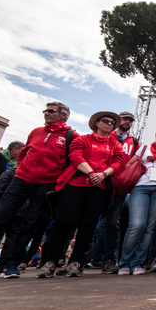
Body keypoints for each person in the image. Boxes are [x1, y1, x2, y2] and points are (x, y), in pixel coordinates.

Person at [37, 111, 123, 278]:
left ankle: (76, 262)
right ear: (96, 123)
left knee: (88, 224)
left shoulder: (115, 145)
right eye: (106, 121)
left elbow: (118, 162)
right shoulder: (82, 139)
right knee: (64, 222)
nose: (109, 124)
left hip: (100, 188)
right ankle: (51, 261)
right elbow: (75, 156)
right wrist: (91, 173)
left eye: (112, 123)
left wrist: (103, 175)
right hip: (74, 185)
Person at [0, 102, 79, 279]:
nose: (46, 114)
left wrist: (56, 179)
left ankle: (12, 265)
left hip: (46, 185)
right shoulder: (36, 132)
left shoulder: (71, 136)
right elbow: (24, 153)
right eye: (46, 110)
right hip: (21, 180)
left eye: (51, 111)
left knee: (29, 224)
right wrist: (20, 169)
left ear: (64, 115)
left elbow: (73, 161)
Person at [115, 123, 156, 276]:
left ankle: (137, 263)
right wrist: (141, 166)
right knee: (136, 225)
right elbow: (129, 164)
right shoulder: (144, 148)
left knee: (150, 227)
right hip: (141, 187)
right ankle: (124, 263)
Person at [101, 111, 139, 273]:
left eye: (131, 120)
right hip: (101, 182)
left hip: (120, 187)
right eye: (125, 119)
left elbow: (134, 162)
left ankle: (110, 259)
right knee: (94, 223)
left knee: (114, 223)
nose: (127, 122)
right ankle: (83, 258)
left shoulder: (134, 141)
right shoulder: (106, 136)